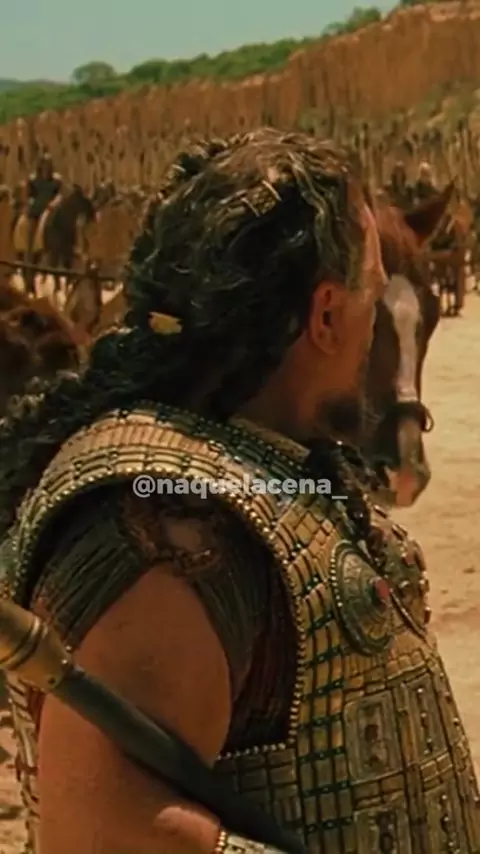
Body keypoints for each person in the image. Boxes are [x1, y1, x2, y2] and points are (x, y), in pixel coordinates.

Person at [0, 128, 478, 854]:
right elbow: (105, 836)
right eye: (375, 298)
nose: (376, 326)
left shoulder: (270, 464)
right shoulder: (173, 526)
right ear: (326, 316)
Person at [26, 152, 63, 258]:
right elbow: (29, 195)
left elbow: (60, 194)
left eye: (48, 164)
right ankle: (28, 255)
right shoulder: (33, 180)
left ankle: (48, 254)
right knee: (29, 228)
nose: (46, 167)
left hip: (49, 209)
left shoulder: (56, 180)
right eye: (44, 164)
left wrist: (54, 203)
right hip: (36, 209)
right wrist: (31, 202)